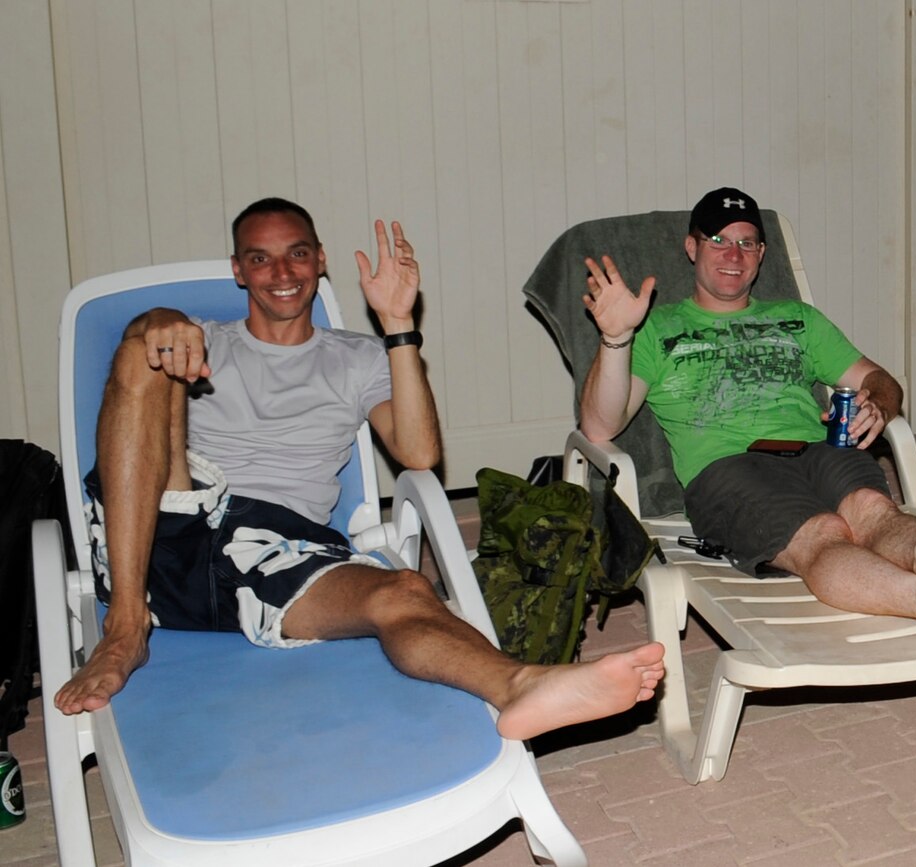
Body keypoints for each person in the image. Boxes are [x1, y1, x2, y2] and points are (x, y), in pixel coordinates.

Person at [54, 198, 667, 741]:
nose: (281, 273)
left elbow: (420, 454)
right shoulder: (198, 339)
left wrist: (399, 325)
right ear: (238, 270)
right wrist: (153, 319)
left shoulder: (358, 355)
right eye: (260, 259)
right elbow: (143, 356)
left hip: (274, 557)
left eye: (296, 254)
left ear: (320, 260)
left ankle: (520, 687)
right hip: (165, 533)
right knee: (148, 352)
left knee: (404, 589)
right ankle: (126, 625)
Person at [578, 187, 916, 645]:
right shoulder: (659, 328)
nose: (733, 254)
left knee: (874, 513)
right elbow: (600, 427)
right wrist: (616, 337)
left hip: (819, 448)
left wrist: (879, 404)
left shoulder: (797, 318)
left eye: (746, 243)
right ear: (691, 247)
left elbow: (879, 379)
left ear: (762, 254)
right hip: (728, 467)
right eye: (718, 240)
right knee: (824, 535)